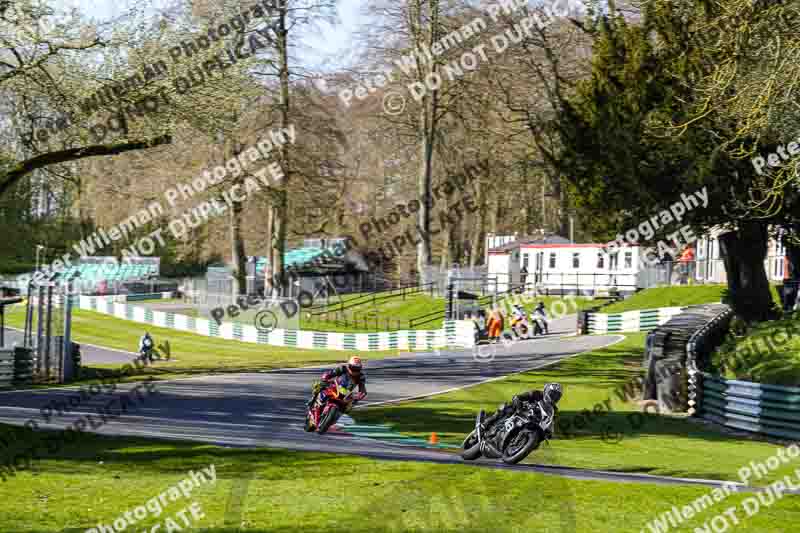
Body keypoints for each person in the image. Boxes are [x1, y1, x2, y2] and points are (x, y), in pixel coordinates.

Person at [481, 383, 563, 439]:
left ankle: (519, 446)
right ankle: (487, 422)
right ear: (546, 391)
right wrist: (519, 406)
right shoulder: (536, 393)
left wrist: (550, 432)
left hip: (532, 424)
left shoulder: (554, 410)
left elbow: (551, 424)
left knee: (539, 439)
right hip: (521, 412)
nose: (554, 397)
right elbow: (518, 397)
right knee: (508, 406)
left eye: (557, 396)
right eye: (552, 394)